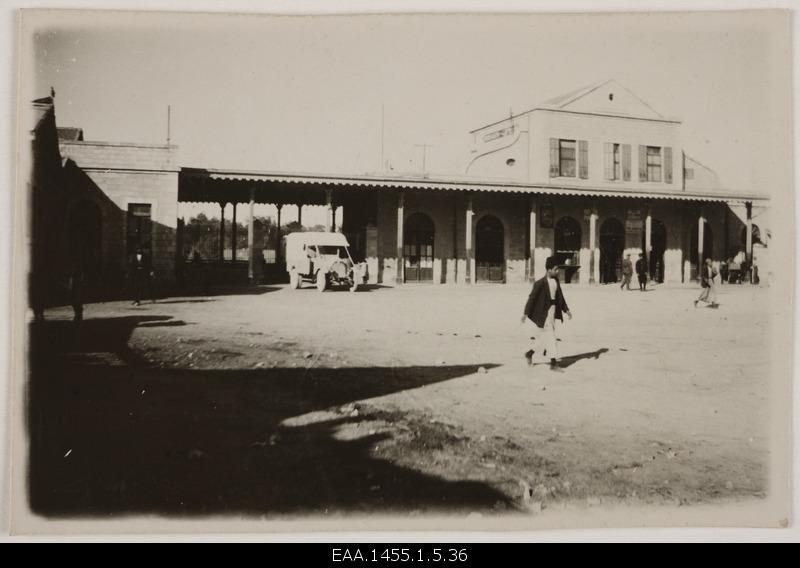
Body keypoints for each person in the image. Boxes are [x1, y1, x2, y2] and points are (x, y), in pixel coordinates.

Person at [521, 256, 573, 371]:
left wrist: (566, 310)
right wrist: (525, 313)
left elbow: (560, 297)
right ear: (549, 269)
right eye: (555, 269)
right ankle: (553, 363)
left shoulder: (556, 281)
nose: (557, 271)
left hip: (552, 312)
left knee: (542, 338)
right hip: (543, 313)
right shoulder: (540, 283)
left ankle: (529, 353)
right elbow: (532, 298)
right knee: (550, 335)